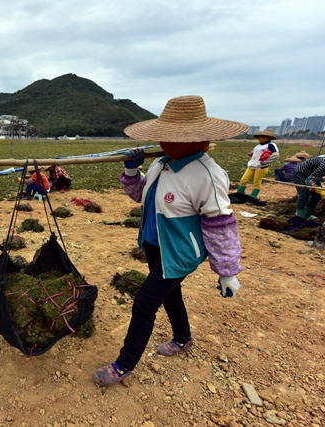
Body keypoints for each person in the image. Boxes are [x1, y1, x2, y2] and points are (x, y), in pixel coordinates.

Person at [93, 95, 245, 387]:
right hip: (154, 244)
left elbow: (220, 224)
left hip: (180, 252)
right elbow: (140, 195)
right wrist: (130, 171)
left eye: (171, 137)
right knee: (170, 294)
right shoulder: (161, 163)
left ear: (198, 139)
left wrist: (227, 270)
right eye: (162, 136)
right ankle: (183, 339)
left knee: (145, 303)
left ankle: (123, 365)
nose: (163, 142)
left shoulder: (207, 174)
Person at [236, 129, 279, 198]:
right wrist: (251, 153)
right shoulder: (259, 145)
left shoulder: (271, 145)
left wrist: (264, 162)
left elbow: (276, 154)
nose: (260, 138)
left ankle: (253, 196)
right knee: (243, 180)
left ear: (268, 138)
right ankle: (239, 194)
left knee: (256, 182)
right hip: (252, 165)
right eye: (259, 137)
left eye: (262, 137)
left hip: (261, 167)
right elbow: (256, 151)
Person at [292, 155, 325, 219]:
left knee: (317, 196)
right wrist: (319, 190)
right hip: (300, 173)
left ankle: (307, 215)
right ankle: (300, 217)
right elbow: (310, 179)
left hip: (315, 175)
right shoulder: (324, 165)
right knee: (304, 195)